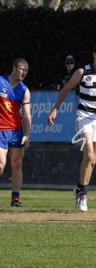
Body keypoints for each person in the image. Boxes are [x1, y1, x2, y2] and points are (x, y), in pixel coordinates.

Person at [47, 42, 96, 212]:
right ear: (94, 55)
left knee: (93, 160)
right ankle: (82, 196)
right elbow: (67, 88)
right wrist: (55, 109)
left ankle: (79, 188)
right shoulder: (82, 72)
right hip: (84, 117)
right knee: (89, 155)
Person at [0, 58, 31, 207]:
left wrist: (27, 134)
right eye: (21, 69)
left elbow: (26, 115)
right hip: (0, 130)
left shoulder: (24, 90)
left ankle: (15, 198)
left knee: (17, 164)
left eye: (26, 70)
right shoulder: (0, 81)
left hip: (16, 131)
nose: (24, 72)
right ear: (14, 68)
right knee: (1, 164)